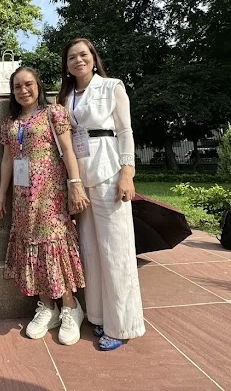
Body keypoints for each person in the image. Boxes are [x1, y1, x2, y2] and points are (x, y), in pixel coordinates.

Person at [58, 37, 145, 351]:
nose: (78, 60)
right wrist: (72, 181)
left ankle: (122, 324)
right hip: (80, 177)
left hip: (109, 172)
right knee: (91, 249)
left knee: (116, 250)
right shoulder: (65, 97)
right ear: (66, 66)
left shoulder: (112, 87)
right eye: (72, 57)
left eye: (83, 55)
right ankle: (97, 314)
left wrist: (127, 172)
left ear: (93, 58)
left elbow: (125, 131)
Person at [0, 67, 89, 345]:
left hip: (51, 194)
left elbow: (68, 149)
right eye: (17, 87)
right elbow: (7, 161)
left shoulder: (53, 113)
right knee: (31, 244)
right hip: (23, 199)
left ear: (38, 85)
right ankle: (47, 307)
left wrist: (75, 182)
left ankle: (70, 306)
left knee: (53, 244)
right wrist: (2, 194)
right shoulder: (10, 123)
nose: (23, 91)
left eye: (28, 85)